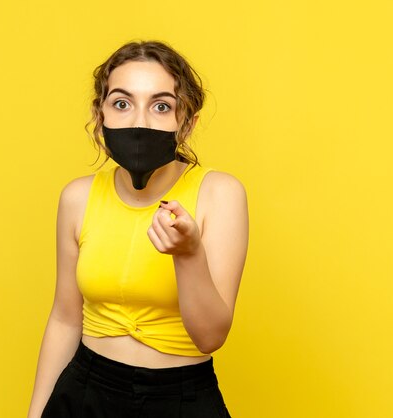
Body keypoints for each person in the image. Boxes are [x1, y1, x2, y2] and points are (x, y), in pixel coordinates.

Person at [27, 40, 249, 418]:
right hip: (83, 393)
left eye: (161, 106)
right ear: (100, 117)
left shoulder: (220, 193)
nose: (139, 122)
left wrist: (188, 254)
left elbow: (210, 338)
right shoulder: (77, 198)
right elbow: (65, 318)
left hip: (179, 399)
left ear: (187, 122)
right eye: (122, 103)